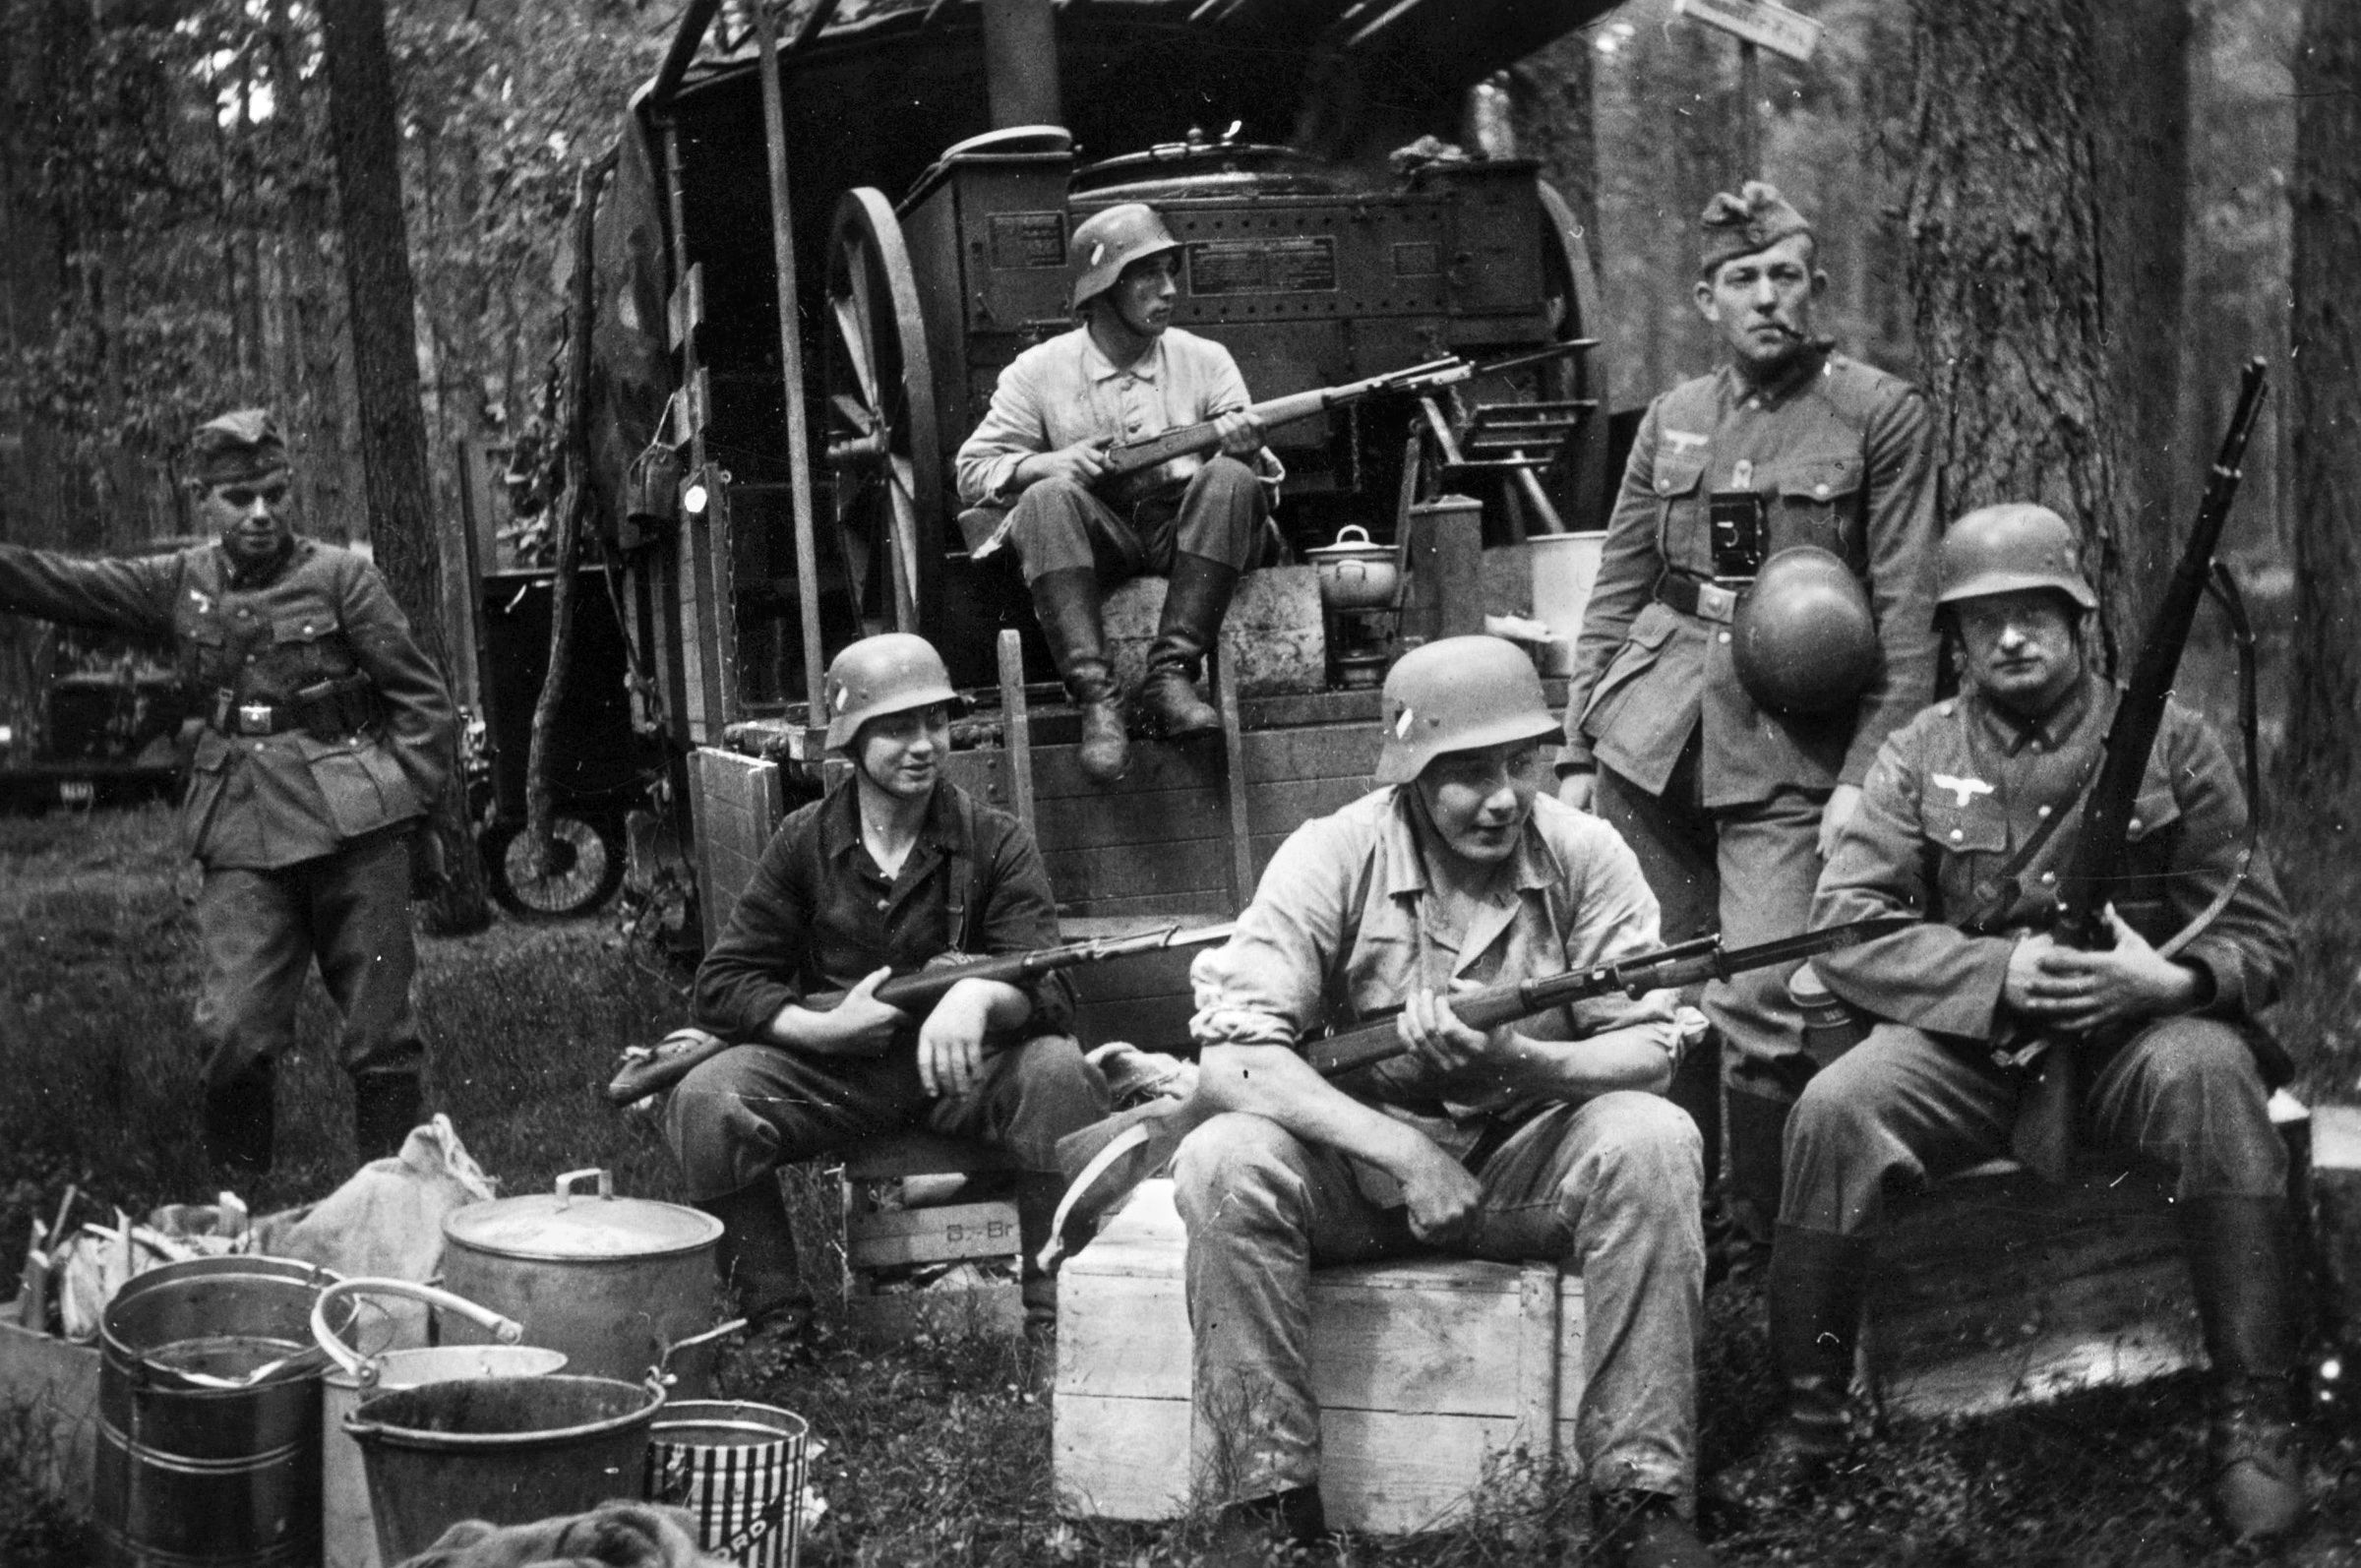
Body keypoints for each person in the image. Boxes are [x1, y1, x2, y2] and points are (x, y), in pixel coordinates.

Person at [1716, 505, 2303, 1542]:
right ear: (1956, 639)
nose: (2012, 639)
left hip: (2133, 1046)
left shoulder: (2175, 741)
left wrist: (2166, 983)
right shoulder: (1915, 753)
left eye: (2036, 613)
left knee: (2213, 1073)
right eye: (1984, 621)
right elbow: (1846, 928)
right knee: (1836, 1109)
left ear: (2083, 624)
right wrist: (1999, 972)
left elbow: (2263, 936)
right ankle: (1809, 1427)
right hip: (1969, 1050)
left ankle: (2251, 1415)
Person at [1177, 635, 1714, 1568]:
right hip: (1358, 1184)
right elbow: (1234, 1059)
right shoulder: (1333, 853)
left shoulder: (1586, 853)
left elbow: (1646, 1052)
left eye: (1520, 763)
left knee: (1654, 1138)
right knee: (1223, 1159)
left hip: (1522, 1169)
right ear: (1411, 774)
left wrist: (1526, 1063)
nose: (1504, 796)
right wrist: (1401, 1150)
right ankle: (1266, 1503)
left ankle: (1640, 1498)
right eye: (1467, 773)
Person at [1555, 181, 1942, 1245]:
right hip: (1651, 735)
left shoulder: (1879, 415)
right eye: (1741, 280)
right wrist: (1578, 748)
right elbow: (1618, 587)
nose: (1765, 298)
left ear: (1815, 287)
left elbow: (1908, 616)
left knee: (1764, 997)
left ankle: (1759, 1241)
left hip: (1792, 748)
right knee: (1647, 987)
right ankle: (1666, 1227)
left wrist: (1866, 773)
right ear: (1706, 298)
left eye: (1783, 276)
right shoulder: (1673, 420)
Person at [0, 408, 454, 1171]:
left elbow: (422, 703)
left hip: (358, 832)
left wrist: (402, 798)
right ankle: (242, 1213)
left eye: (274, 493)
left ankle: (391, 1197)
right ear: (203, 500)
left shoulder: (343, 578)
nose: (260, 513)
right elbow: (68, 584)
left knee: (381, 1034)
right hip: (241, 832)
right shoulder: (183, 582)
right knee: (233, 1031)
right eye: (239, 498)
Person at [664, 633, 1110, 1340]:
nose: (924, 744)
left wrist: (977, 995)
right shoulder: (803, 841)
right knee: (705, 1101)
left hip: (964, 1075)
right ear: (851, 741)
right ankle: (779, 1325)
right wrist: (818, 1029)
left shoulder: (994, 839)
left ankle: (1061, 1317)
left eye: (935, 721)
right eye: (897, 728)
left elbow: (1049, 988)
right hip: (837, 1074)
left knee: (1060, 1074)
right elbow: (723, 982)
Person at [955, 202, 1274, 786]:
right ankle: (1100, 703)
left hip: (1189, 533)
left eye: (1170, 272)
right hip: (1104, 540)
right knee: (1046, 498)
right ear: (1102, 291)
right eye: (1147, 275)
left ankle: (1171, 677)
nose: (1169, 290)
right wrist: (1048, 462)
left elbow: (1258, 487)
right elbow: (973, 469)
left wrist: (1244, 449)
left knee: (1232, 479)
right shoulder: (1039, 371)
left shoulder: (1207, 361)